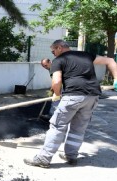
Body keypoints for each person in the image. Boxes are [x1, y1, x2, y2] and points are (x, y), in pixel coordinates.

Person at [24, 39, 117, 168]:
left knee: (57, 126)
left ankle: (43, 158)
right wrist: (116, 79)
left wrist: (56, 94)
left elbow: (56, 82)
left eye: (53, 51)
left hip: (73, 96)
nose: (53, 54)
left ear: (59, 48)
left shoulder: (59, 60)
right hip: (92, 96)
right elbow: (110, 61)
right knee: (78, 128)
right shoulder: (86, 55)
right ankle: (71, 156)